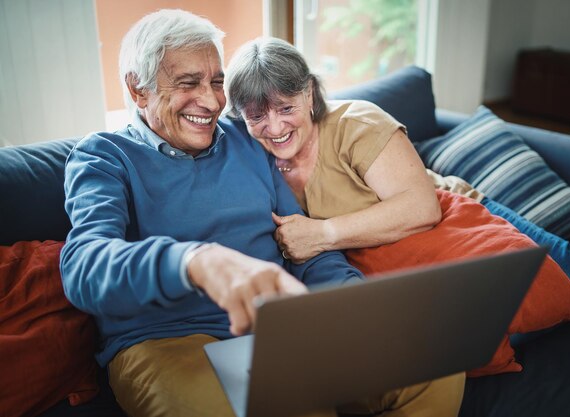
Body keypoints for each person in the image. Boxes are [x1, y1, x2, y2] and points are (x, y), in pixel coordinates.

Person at [60, 10, 464, 417]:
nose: (211, 100)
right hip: (167, 340)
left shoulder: (246, 139)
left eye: (217, 82)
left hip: (278, 326)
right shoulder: (103, 157)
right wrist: (194, 262)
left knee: (435, 365)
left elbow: (303, 246)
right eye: (188, 83)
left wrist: (348, 301)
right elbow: (84, 267)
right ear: (138, 90)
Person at [225, 37, 570, 306]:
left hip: (454, 220)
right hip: (394, 257)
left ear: (309, 93)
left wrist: (323, 234)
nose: (274, 128)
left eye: (286, 109)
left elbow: (422, 208)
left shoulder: (355, 123)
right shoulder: (253, 155)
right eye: (257, 115)